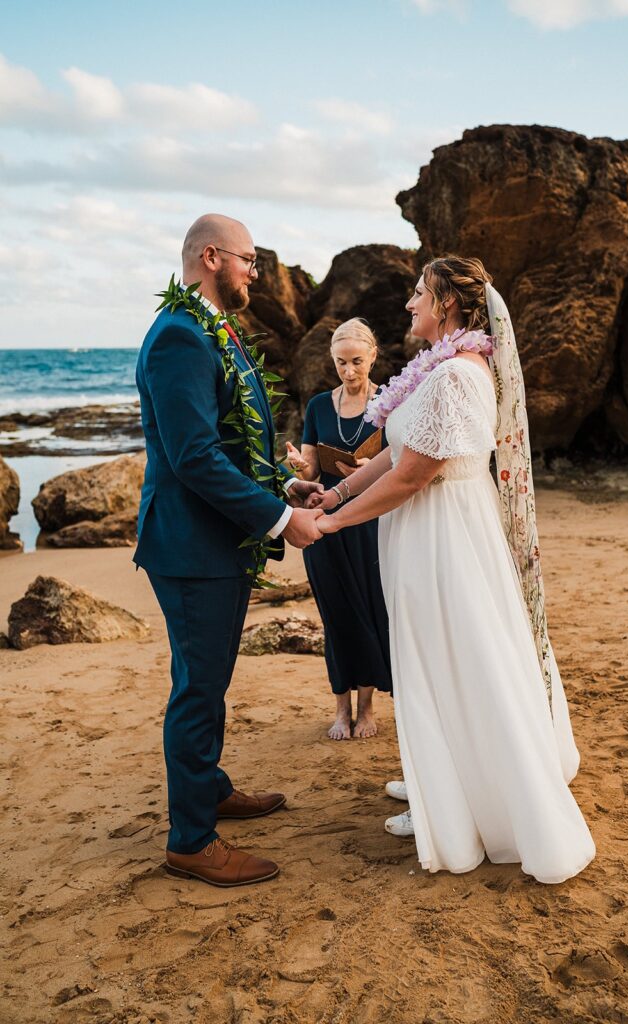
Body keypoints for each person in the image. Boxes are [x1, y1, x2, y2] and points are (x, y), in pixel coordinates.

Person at [313, 256, 596, 884]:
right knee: (430, 661)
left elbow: (416, 476)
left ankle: (471, 803)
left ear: (448, 306)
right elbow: (392, 453)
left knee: (456, 659)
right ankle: (441, 780)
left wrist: (333, 525)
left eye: (419, 294)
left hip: (446, 539)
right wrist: (331, 496)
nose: (409, 303)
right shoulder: (433, 373)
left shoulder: (458, 378)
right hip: (421, 535)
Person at [134, 214, 324, 888]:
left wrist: (283, 484)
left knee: (208, 678)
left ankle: (209, 788)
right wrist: (278, 520)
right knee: (197, 687)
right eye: (249, 258)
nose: (256, 271)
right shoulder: (180, 337)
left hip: (212, 541)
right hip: (189, 546)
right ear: (211, 257)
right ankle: (190, 840)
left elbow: (233, 442)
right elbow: (193, 457)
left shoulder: (211, 330)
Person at [285, 319, 392, 740]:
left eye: (357, 362)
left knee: (369, 609)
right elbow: (311, 465)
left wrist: (371, 468)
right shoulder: (316, 407)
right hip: (324, 519)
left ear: (373, 356)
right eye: (340, 363)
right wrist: (299, 466)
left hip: (369, 518)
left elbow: (402, 460)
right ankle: (340, 708)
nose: (348, 371)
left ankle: (366, 708)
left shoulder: (389, 401)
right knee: (336, 615)